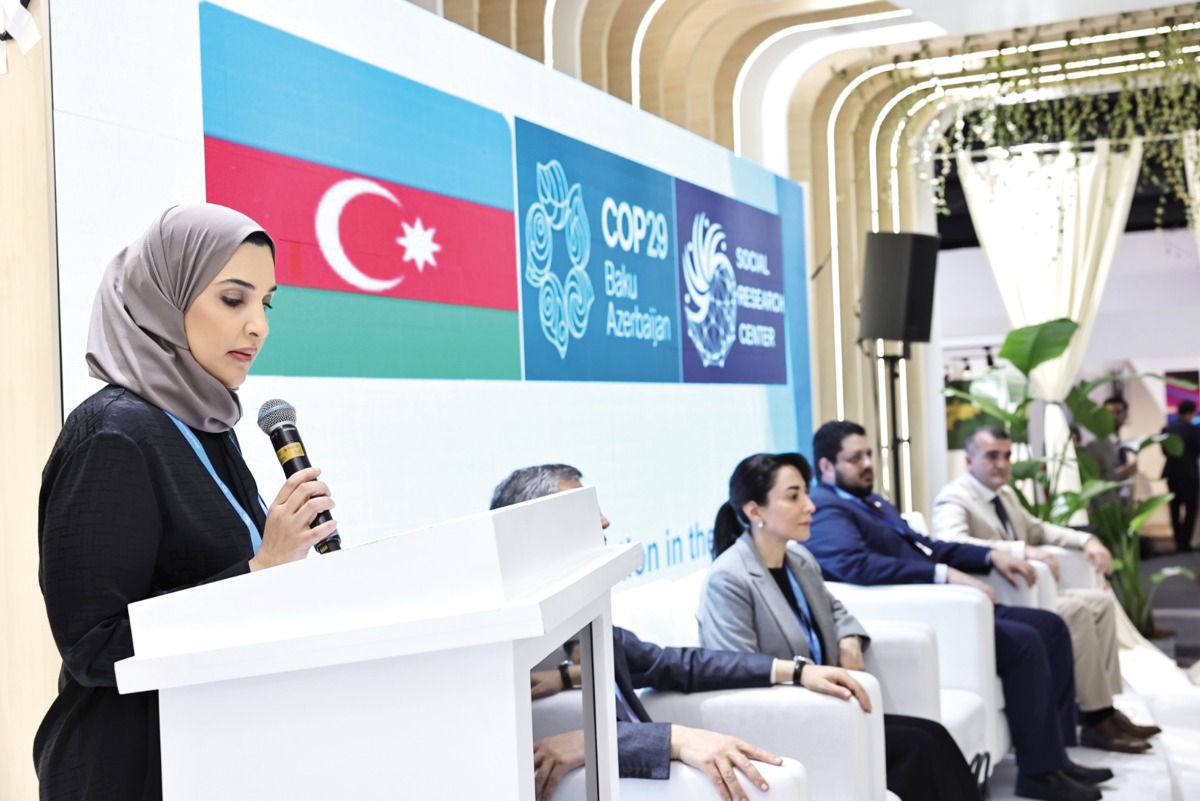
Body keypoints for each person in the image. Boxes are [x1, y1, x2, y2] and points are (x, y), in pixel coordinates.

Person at [35, 205, 339, 801]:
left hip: (218, 752)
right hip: (133, 769)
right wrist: (260, 570)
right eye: (234, 300)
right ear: (163, 299)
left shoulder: (205, 423)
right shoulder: (112, 434)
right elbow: (93, 646)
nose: (259, 326)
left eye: (266, 303)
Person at [491, 464, 870, 801]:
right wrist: (675, 738)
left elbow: (675, 663)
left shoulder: (588, 629)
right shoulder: (504, 651)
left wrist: (797, 671)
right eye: (585, 513)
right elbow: (537, 752)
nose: (605, 522)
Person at [804, 420, 1111, 801]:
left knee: (1050, 626)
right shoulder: (827, 510)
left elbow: (927, 545)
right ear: (826, 467)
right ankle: (1039, 773)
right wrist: (943, 575)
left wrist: (990, 554)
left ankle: (1056, 755)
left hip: (947, 606)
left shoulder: (873, 501)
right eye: (855, 458)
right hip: (923, 613)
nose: (868, 463)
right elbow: (857, 566)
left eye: (869, 454)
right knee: (1025, 641)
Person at [696, 451, 982, 801]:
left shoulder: (798, 558)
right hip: (784, 720)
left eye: (806, 492)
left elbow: (837, 610)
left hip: (828, 709)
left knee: (932, 735)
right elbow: (735, 668)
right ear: (754, 511)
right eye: (793, 496)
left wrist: (848, 638)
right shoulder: (729, 579)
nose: (810, 506)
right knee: (919, 746)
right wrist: (802, 675)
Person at [932, 426, 1158, 752]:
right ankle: (1096, 720)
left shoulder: (1005, 495)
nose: (1002, 464)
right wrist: (1020, 551)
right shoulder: (955, 496)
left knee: (1099, 602)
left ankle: (1104, 709)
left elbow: (1040, 530)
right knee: (1076, 610)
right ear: (969, 459)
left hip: (1031, 589)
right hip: (1001, 596)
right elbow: (950, 543)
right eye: (991, 456)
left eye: (1007, 456)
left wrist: (1086, 539)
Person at [1161, 400, 1200, 553]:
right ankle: (1185, 541)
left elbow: (1164, 452)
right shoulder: (1193, 429)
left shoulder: (1167, 429)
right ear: (1191, 412)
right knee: (1191, 509)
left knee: (1174, 508)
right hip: (1190, 474)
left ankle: (1178, 540)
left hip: (1172, 473)